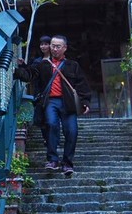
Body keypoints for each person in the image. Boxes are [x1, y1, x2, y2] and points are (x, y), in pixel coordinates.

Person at [15, 35, 91, 176]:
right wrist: (17, 70)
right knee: (51, 125)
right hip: (51, 101)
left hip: (68, 103)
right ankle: (53, 160)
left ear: (65, 48)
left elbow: (82, 85)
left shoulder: (72, 65)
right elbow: (30, 74)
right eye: (53, 46)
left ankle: (67, 163)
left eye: (58, 46)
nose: (54, 49)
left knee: (72, 131)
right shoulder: (43, 64)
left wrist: (85, 102)